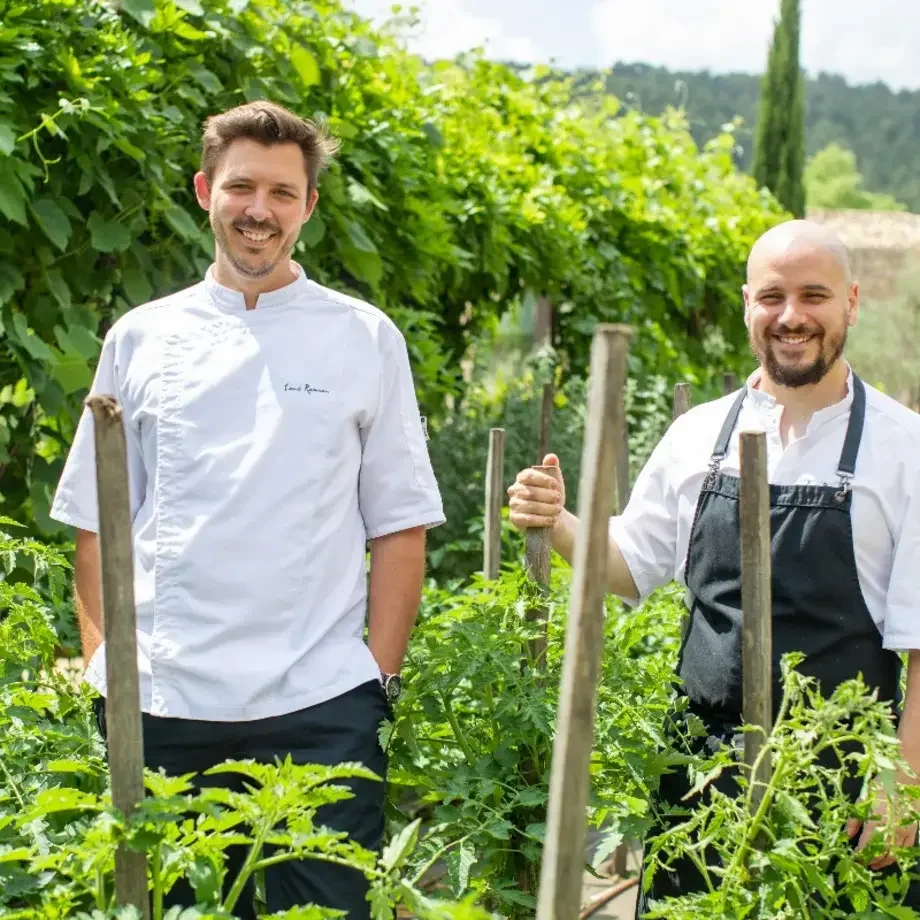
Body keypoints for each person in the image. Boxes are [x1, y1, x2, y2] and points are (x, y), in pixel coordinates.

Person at [49, 100, 445, 919]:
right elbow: (98, 520)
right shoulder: (141, 337)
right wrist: (104, 667)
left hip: (320, 707)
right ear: (205, 192)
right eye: (240, 187)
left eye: (281, 192)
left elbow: (399, 524)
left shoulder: (365, 338)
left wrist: (376, 678)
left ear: (309, 206)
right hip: (163, 702)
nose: (258, 210)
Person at [507, 219, 920, 914]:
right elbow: (630, 565)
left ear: (851, 302)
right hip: (699, 779)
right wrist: (560, 522)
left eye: (814, 296)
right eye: (772, 297)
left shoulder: (904, 447)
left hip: (843, 785)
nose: (791, 316)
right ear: (747, 304)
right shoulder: (698, 434)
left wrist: (901, 785)